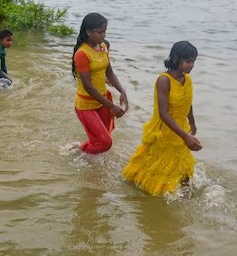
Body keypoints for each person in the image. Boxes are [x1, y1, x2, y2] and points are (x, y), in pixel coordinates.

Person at [122, 41, 202, 196]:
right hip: (164, 129)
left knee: (181, 163)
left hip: (181, 127)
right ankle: (151, 194)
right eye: (188, 61)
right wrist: (185, 135)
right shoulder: (164, 80)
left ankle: (186, 194)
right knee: (158, 166)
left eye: (193, 62)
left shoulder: (187, 80)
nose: (191, 65)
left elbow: (188, 101)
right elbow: (164, 113)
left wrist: (192, 122)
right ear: (176, 58)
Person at [71, 13, 129, 154]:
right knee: (105, 143)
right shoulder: (82, 54)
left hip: (102, 101)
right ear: (88, 32)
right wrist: (112, 106)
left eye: (105, 31)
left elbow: (109, 73)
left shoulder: (103, 47)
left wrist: (122, 91)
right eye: (100, 32)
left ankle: (88, 158)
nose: (103, 35)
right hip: (86, 105)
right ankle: (79, 149)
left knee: (102, 140)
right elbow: (89, 87)